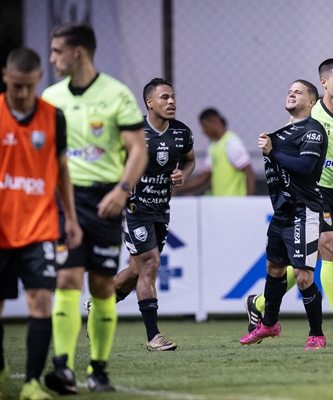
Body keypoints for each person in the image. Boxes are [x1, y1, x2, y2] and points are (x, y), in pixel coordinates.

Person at [41, 23, 148, 394]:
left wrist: (122, 189)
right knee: (67, 279)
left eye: (57, 51)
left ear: (78, 52)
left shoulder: (117, 94)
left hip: (106, 200)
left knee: (102, 285)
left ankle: (98, 369)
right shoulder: (51, 98)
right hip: (66, 200)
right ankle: (63, 367)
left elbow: (138, 150)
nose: (52, 58)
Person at [245, 58, 333, 346]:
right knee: (331, 246)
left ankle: (259, 303)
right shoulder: (307, 116)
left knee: (308, 262)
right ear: (323, 84)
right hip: (311, 192)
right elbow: (289, 155)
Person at [0, 47, 82, 400]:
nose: (20, 93)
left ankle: (32, 383)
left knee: (41, 302)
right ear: (5, 76)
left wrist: (72, 218)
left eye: (27, 86)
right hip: (1, 229)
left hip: (40, 227)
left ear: (38, 80)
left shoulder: (53, 117)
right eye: (15, 86)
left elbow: (62, 169)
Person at [239, 79, 328, 350]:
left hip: (305, 210)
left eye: (298, 92)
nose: (291, 93)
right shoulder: (283, 132)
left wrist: (271, 151)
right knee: (274, 268)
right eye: (289, 90)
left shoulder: (313, 131)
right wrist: (273, 147)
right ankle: (269, 324)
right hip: (283, 212)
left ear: (311, 102)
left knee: (303, 275)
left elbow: (304, 167)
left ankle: (317, 335)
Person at [110, 78, 195, 351]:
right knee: (150, 264)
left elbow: (190, 160)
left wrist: (184, 174)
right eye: (164, 98)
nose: (171, 102)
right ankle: (153, 336)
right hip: (135, 210)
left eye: (173, 97)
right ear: (149, 103)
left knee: (137, 271)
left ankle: (101, 304)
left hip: (161, 210)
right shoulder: (134, 132)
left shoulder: (182, 133)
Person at [173, 108, 254, 197]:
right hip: (219, 204)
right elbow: (204, 178)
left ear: (214, 122)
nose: (203, 131)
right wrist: (179, 188)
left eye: (205, 126)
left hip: (234, 204)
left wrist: (248, 202)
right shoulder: (213, 146)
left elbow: (249, 173)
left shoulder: (231, 142)